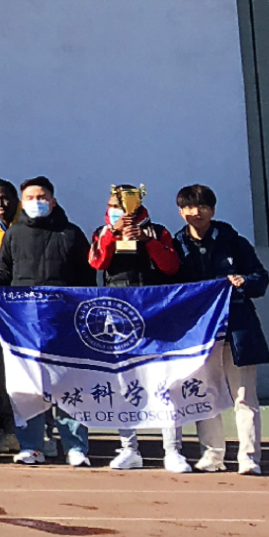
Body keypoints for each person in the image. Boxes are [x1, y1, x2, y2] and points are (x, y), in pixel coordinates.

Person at [0, 175, 94, 465]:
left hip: (64, 323)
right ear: (22, 202)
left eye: (41, 198)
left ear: (53, 201)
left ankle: (76, 447)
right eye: (30, 198)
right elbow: (2, 274)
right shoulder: (14, 234)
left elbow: (87, 281)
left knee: (68, 385)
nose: (36, 202)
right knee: (27, 386)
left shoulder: (72, 234)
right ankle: (31, 446)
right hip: (25, 325)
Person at [88, 186, 187, 470]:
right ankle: (129, 448)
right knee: (123, 383)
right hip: (118, 317)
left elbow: (170, 267)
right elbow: (97, 262)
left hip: (156, 315)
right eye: (114, 206)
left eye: (125, 206)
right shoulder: (101, 232)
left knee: (164, 383)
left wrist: (146, 240)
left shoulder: (158, 231)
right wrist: (113, 232)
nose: (119, 211)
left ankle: (172, 450)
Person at [171, 184, 266, 474]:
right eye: (189, 207)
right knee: (204, 395)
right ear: (181, 211)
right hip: (200, 333)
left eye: (202, 206)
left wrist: (244, 281)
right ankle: (212, 455)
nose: (196, 212)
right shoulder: (176, 246)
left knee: (244, 395)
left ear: (212, 210)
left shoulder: (234, 242)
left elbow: (260, 279)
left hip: (237, 329)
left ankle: (249, 457)